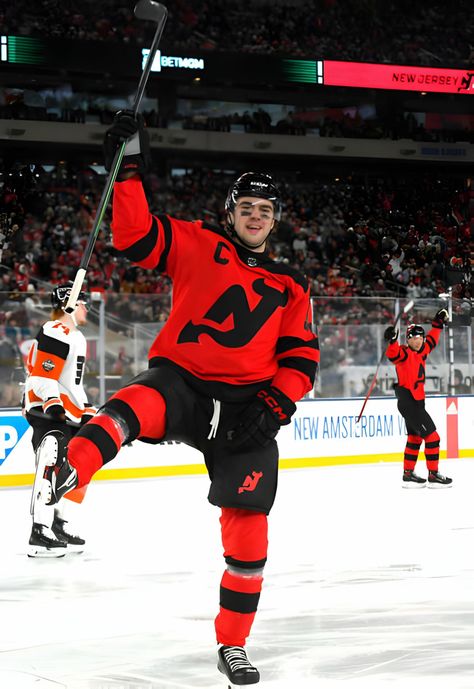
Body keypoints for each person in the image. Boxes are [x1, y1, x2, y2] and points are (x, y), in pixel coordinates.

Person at [32, 111, 319, 685]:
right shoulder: (196, 241)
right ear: (230, 214)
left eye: (265, 211)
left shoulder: (293, 285)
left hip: (247, 410)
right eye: (246, 208)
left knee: (249, 539)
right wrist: (129, 169)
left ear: (275, 221)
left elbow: (302, 362)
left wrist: (276, 407)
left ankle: (232, 643)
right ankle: (71, 465)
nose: (256, 217)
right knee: (132, 406)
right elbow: (133, 236)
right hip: (184, 385)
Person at [26, 283, 97, 557]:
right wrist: (53, 404)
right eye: (82, 302)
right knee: (51, 458)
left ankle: (57, 524)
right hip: (46, 407)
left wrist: (86, 411)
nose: (86, 307)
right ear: (69, 304)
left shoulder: (75, 335)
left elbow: (72, 384)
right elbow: (44, 376)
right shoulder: (56, 330)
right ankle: (39, 531)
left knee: (76, 463)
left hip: (64, 408)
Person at [384, 309, 452, 488]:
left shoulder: (423, 351)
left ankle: (408, 474)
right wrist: (392, 340)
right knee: (433, 437)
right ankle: (433, 475)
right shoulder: (404, 353)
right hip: (409, 402)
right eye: (414, 337)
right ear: (408, 339)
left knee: (415, 438)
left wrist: (438, 322)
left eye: (420, 336)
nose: (419, 339)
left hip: (416, 402)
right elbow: (393, 354)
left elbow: (433, 339)